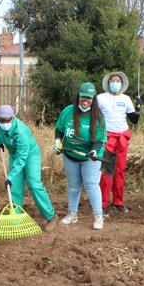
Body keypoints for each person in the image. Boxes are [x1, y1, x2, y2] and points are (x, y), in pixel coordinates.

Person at [0, 105, 58, 230]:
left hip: (30, 156)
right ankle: (16, 217)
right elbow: (0, 135)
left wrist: (10, 176)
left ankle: (51, 216)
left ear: (12, 118)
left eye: (7, 120)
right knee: (15, 186)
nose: (4, 122)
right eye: (1, 120)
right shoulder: (1, 124)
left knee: (34, 184)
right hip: (15, 155)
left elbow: (22, 158)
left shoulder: (21, 131)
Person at [55, 82, 107, 230]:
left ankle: (98, 216)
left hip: (90, 157)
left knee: (91, 185)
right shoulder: (68, 112)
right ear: (78, 96)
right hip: (70, 154)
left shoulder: (98, 117)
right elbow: (59, 130)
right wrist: (58, 143)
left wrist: (94, 151)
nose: (86, 100)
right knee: (73, 186)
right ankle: (72, 214)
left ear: (93, 99)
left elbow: (99, 141)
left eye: (89, 98)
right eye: (83, 97)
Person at [96, 71, 140, 213]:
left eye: (118, 81)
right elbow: (94, 117)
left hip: (122, 137)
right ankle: (102, 203)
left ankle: (118, 202)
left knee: (120, 170)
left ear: (122, 84)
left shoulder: (126, 99)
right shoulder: (100, 98)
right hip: (107, 137)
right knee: (106, 171)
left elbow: (134, 119)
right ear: (108, 83)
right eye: (113, 81)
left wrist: (138, 108)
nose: (116, 83)